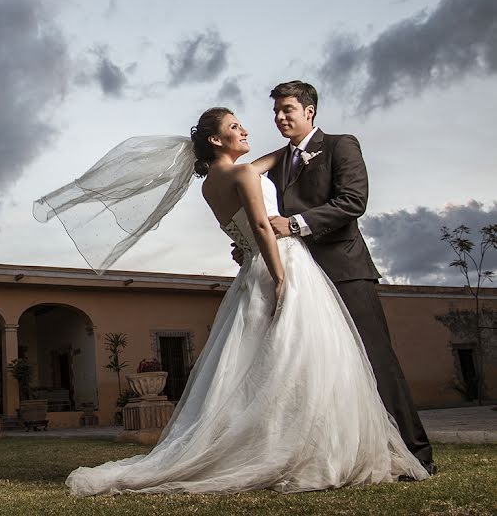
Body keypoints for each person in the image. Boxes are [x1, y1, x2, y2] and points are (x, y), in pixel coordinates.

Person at [42, 108, 429, 496]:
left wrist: (295, 145)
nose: (244, 130)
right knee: (304, 356)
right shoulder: (245, 175)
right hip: (282, 263)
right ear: (216, 139)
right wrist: (281, 278)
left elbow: (256, 183)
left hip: (248, 275)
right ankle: (309, 447)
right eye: (234, 127)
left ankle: (286, 443)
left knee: (264, 362)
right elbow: (262, 227)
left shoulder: (212, 184)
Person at [259, 80, 435, 475]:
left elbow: (353, 200)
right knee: (317, 367)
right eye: (275, 111)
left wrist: (295, 224)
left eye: (287, 109)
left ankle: (417, 454)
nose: (279, 117)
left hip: (345, 271)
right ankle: (344, 454)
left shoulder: (340, 145)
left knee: (377, 362)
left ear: (310, 111)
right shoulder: (277, 163)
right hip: (304, 280)